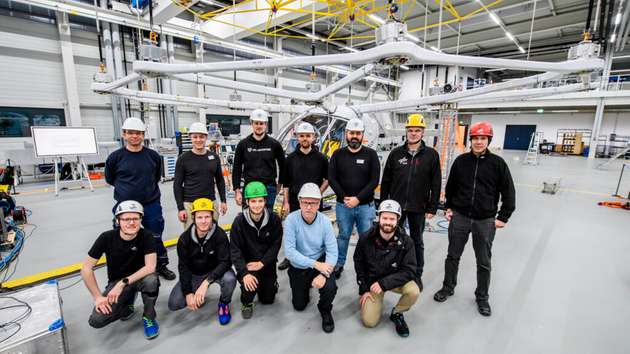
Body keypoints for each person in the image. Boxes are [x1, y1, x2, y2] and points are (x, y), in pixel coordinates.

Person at [433, 121, 516, 317]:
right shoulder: (461, 162)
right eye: (476, 138)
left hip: (485, 220)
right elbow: (451, 187)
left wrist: (503, 217)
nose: (479, 142)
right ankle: (448, 287)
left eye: (483, 138)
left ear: (488, 140)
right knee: (453, 256)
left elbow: (509, 193)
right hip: (460, 217)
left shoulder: (498, 164)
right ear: (470, 140)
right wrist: (449, 208)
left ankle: (482, 297)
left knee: (484, 261)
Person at [105, 117, 175, 280]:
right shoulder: (115, 157)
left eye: (138, 133)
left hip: (150, 204)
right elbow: (110, 179)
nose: (134, 136)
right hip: (125, 206)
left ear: (143, 135)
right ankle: (127, 268)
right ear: (124, 134)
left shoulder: (153, 156)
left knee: (155, 236)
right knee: (123, 238)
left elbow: (156, 176)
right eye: (130, 133)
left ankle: (160, 265)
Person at [81, 201, 160, 339]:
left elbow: (150, 267)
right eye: (126, 219)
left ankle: (149, 317)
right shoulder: (106, 237)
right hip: (117, 282)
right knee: (97, 320)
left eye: (135, 218)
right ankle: (128, 302)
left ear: (141, 219)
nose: (131, 223)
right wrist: (98, 297)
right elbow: (86, 268)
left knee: (151, 280)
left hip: (138, 278)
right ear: (118, 221)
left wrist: (122, 283)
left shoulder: (146, 236)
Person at [380, 113, 441, 290]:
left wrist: (433, 206)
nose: (413, 133)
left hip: (418, 207)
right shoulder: (396, 154)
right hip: (397, 208)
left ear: (423, 133)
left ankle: (416, 273)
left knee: (416, 241)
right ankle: (394, 269)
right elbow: (386, 181)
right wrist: (384, 205)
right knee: (394, 239)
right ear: (406, 132)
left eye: (417, 130)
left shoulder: (431, 155)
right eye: (410, 130)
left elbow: (435, 183)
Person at [353, 200, 420, 337]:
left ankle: (397, 313)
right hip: (373, 283)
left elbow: (410, 270)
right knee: (369, 322)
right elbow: (359, 263)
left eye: (392, 219)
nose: (388, 222)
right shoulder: (365, 238)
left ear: (397, 220)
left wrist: (384, 284)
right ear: (379, 218)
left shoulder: (407, 242)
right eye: (385, 218)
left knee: (414, 291)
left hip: (394, 280)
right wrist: (364, 289)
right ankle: (376, 302)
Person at [168, 198, 236, 325]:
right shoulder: (184, 240)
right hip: (195, 274)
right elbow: (183, 267)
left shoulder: (220, 235)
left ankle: (224, 303)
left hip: (216, 272)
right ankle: (196, 291)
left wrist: (206, 283)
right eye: (199, 217)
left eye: (207, 217)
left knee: (230, 279)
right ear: (193, 218)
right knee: (174, 303)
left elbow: (226, 262)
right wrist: (188, 293)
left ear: (212, 217)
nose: (204, 221)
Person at [327, 118, 380, 279]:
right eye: (352, 133)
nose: (354, 136)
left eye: (358, 133)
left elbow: (374, 181)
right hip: (343, 206)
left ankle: (366, 265)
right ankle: (339, 264)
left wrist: (357, 199)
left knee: (367, 238)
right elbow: (332, 178)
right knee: (343, 235)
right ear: (346, 134)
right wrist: (344, 198)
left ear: (362, 135)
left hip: (365, 206)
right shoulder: (337, 154)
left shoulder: (371, 155)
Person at [284, 183, 338, 333]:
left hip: (319, 263)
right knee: (299, 306)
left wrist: (323, 273)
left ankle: (325, 309)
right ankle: (305, 286)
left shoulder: (325, 222)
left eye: (313, 203)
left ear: (319, 203)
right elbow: (289, 252)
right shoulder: (291, 220)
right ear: (299, 201)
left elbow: (333, 252)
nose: (309, 207)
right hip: (299, 266)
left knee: (330, 287)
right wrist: (315, 264)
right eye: (305, 202)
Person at [278, 122, 329, 271]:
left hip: (313, 204)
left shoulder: (321, 158)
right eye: (302, 136)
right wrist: (286, 202)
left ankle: (312, 257)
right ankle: (289, 256)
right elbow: (286, 183)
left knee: (313, 231)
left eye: (308, 136)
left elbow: (327, 180)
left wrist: (317, 195)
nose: (305, 138)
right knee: (292, 230)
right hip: (294, 201)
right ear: (297, 137)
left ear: (313, 137)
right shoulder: (290, 159)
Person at [229, 182, 283, 319]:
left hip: (266, 263)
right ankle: (246, 302)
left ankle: (268, 284)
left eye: (260, 201)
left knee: (268, 299)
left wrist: (262, 263)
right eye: (253, 201)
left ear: (265, 201)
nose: (257, 205)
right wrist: (244, 273)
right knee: (249, 287)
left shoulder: (274, 219)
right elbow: (235, 251)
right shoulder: (239, 223)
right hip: (249, 266)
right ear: (247, 201)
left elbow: (275, 246)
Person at [173, 122, 227, 229]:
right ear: (190, 137)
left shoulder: (214, 157)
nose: (198, 140)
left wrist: (223, 201)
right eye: (195, 137)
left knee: (212, 233)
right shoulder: (183, 159)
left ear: (206, 137)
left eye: (201, 137)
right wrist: (180, 208)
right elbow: (177, 185)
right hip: (190, 204)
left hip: (210, 202)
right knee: (191, 236)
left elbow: (220, 180)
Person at [232, 109, 285, 212]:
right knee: (248, 220)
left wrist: (279, 185)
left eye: (261, 123)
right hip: (250, 187)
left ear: (265, 124)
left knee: (268, 219)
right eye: (256, 123)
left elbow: (283, 166)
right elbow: (236, 169)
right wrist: (237, 191)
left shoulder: (274, 144)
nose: (259, 126)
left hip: (269, 188)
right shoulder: (243, 144)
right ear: (251, 123)